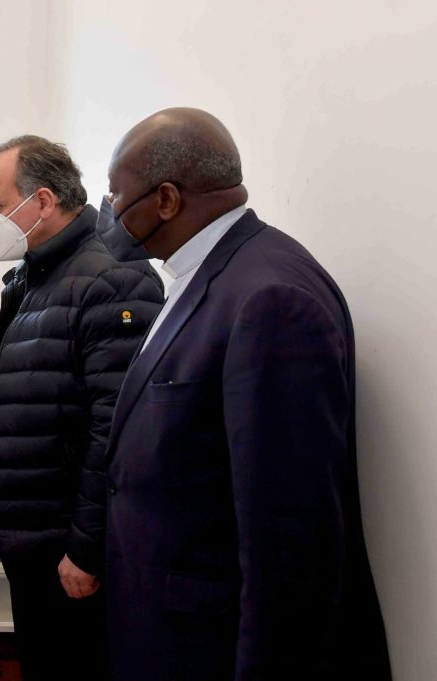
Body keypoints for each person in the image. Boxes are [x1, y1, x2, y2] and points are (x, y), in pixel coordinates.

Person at [93, 108, 390, 680]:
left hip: (211, 647)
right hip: (165, 632)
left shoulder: (270, 298)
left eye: (115, 193)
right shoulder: (206, 275)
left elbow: (290, 543)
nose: (108, 209)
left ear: (167, 200)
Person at [0, 135, 164, 679]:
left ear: (44, 201)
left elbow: (116, 430)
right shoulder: (34, 275)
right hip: (33, 543)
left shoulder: (112, 279)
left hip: (68, 552)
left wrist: (86, 547)